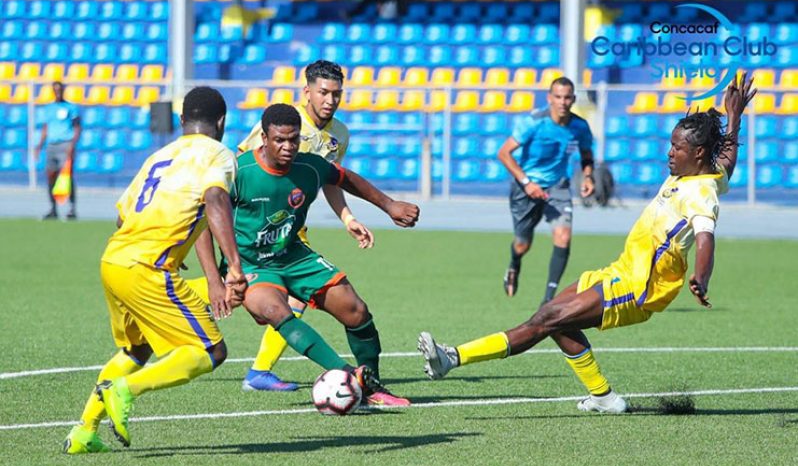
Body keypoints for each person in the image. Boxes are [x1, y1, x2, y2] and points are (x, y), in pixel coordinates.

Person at [419, 73, 757, 414]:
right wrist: (734, 118)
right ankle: (604, 398)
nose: (670, 152)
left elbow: (705, 238)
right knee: (552, 317)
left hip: (640, 286)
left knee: (548, 317)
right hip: (619, 271)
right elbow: (724, 161)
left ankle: (452, 358)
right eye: (671, 144)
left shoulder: (701, 193)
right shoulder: (697, 175)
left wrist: (701, 277)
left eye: (677, 147)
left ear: (697, 153)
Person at [62, 87, 248, 454]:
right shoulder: (219, 154)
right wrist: (235, 266)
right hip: (147, 266)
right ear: (222, 122)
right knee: (211, 351)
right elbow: (215, 199)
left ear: (181, 121)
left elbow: (122, 215)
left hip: (114, 259)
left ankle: (85, 431)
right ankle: (125, 391)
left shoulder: (159, 156)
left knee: (137, 349)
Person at [231, 59, 416, 392]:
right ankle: (260, 370)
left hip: (292, 230)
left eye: (337, 94)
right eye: (323, 92)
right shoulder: (285, 123)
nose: (330, 100)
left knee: (312, 300)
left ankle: (262, 371)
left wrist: (347, 218)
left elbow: (330, 179)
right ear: (307, 92)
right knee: (285, 300)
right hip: (259, 234)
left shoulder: (339, 134)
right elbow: (242, 168)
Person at [498, 76, 595, 304]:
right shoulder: (534, 122)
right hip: (526, 187)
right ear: (549, 98)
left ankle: (548, 299)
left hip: (558, 187)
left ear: (573, 99)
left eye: (567, 97)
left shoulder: (580, 126)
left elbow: (587, 154)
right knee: (522, 244)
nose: (562, 102)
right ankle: (514, 264)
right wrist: (527, 183)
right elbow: (504, 153)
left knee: (563, 236)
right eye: (558, 97)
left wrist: (588, 176)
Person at [35, 81, 82, 220]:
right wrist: (39, 146)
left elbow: (77, 127)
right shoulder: (48, 108)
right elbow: (45, 128)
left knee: (67, 176)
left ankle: (72, 208)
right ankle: (53, 208)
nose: (58, 92)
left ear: (63, 90)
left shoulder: (71, 107)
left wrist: (72, 144)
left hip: (65, 144)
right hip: (51, 145)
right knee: (51, 176)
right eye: (55, 90)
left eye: (60, 89)